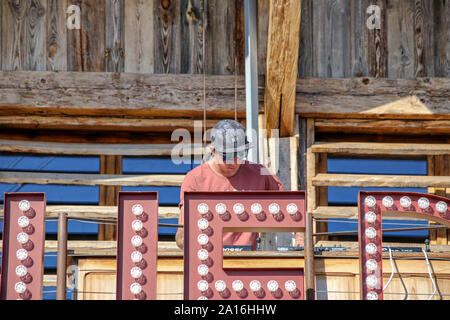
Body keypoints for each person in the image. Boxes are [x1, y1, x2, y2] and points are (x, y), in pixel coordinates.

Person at [175, 119, 285, 250]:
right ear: (213, 151)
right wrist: (188, 241)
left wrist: (301, 240)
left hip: (248, 260)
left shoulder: (260, 174)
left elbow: (290, 205)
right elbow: (181, 233)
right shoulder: (195, 179)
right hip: (209, 258)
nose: (234, 162)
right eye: (226, 156)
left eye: (239, 155)